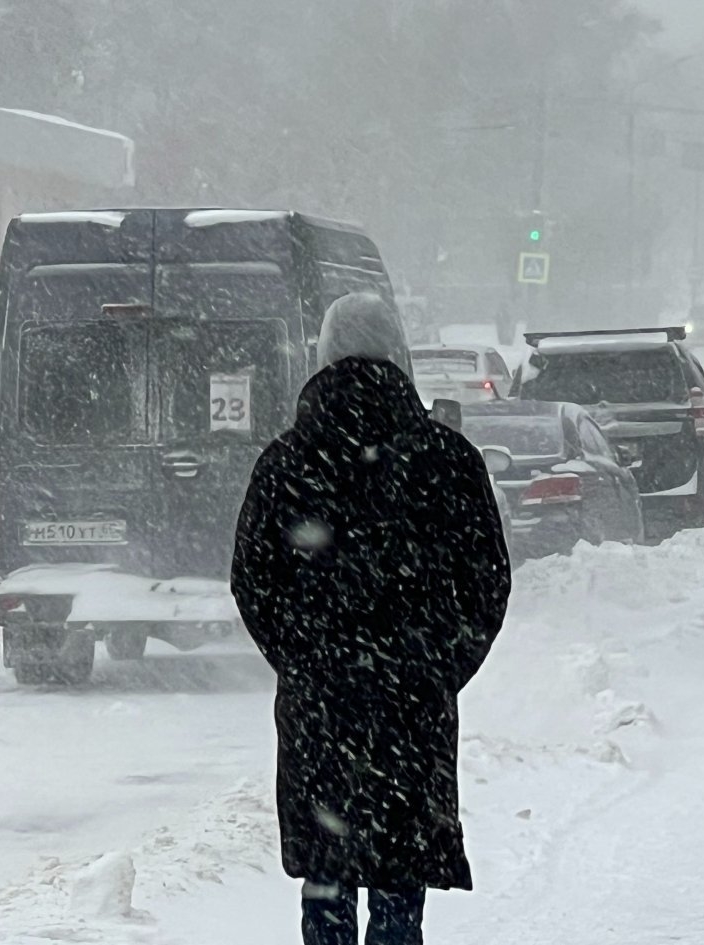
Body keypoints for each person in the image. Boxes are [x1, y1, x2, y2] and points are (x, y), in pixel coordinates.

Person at [231, 292, 511, 945]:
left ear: (323, 354)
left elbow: (253, 580)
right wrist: (438, 663)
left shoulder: (286, 461)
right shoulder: (446, 458)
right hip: (410, 701)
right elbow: (487, 582)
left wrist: (303, 655)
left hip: (319, 705)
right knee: (397, 876)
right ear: (398, 353)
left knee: (327, 874)